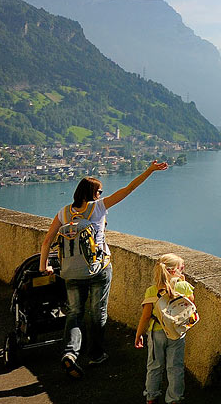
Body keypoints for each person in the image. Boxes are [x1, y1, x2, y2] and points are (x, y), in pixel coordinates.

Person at [39, 160, 168, 378]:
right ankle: (96, 354)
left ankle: (70, 353)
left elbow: (47, 241)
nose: (101, 193)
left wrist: (44, 267)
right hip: (99, 269)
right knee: (97, 313)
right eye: (99, 190)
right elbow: (129, 189)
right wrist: (149, 170)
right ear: (92, 192)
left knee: (74, 313)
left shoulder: (63, 213)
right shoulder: (99, 207)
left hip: (71, 271)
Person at [134, 253, 194, 404]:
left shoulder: (152, 291)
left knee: (154, 366)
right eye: (182, 268)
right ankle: (174, 402)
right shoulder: (184, 287)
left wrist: (139, 334)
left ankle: (151, 400)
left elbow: (146, 316)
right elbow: (191, 306)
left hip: (156, 332)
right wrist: (181, 281)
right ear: (175, 271)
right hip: (176, 333)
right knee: (175, 367)